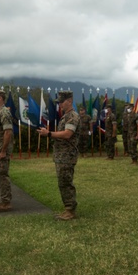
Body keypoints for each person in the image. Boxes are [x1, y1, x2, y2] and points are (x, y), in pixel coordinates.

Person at [37, 90, 80, 220]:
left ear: (70, 101)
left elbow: (67, 134)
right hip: (62, 155)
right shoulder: (65, 116)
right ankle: (68, 208)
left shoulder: (72, 116)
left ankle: (70, 210)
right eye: (59, 102)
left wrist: (49, 133)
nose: (60, 104)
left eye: (62, 102)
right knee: (62, 182)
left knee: (66, 182)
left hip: (67, 156)